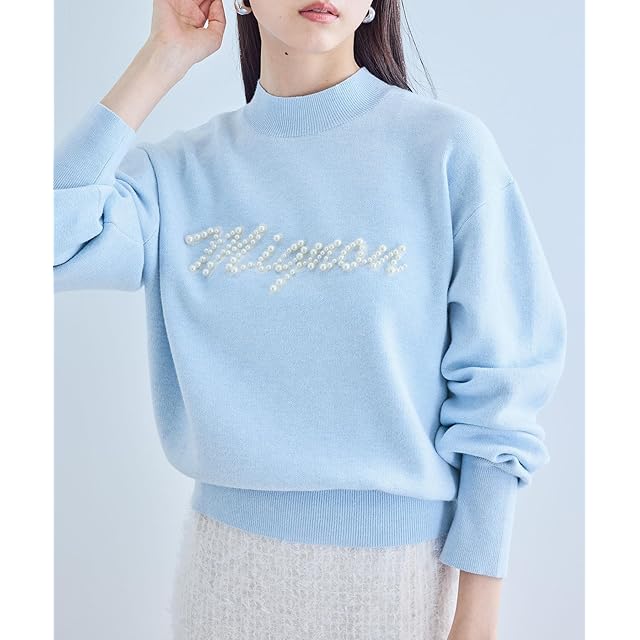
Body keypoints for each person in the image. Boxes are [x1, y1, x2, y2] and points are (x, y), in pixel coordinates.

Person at [53, 1, 568, 638]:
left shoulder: (446, 150)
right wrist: (162, 57)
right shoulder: (178, 173)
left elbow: (500, 392)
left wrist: (477, 617)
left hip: (405, 586)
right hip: (227, 590)